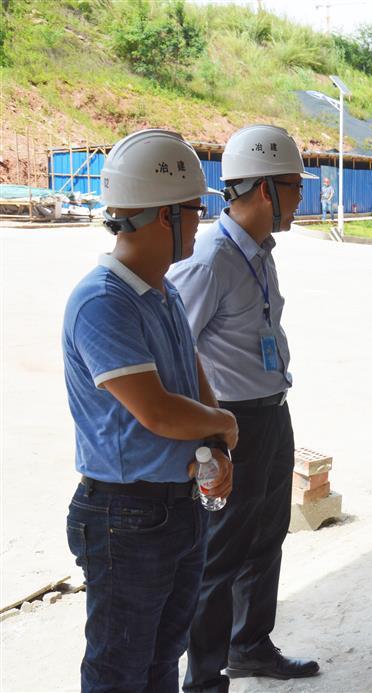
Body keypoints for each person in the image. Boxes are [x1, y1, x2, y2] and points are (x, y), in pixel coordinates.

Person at [63, 129, 237, 691]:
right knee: (119, 670)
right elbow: (158, 411)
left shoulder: (162, 290)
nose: (201, 223)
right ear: (166, 216)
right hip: (126, 516)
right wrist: (225, 424)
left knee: (163, 660)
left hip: (175, 506)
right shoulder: (103, 301)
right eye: (195, 211)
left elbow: (191, 372)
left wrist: (214, 445)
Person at [168, 125, 320, 689]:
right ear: (264, 189)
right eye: (294, 186)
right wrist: (206, 439)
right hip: (231, 422)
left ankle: (251, 645)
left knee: (266, 536)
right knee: (221, 554)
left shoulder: (258, 251)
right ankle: (204, 678)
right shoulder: (209, 259)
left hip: (271, 412)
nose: (301, 196)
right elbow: (176, 354)